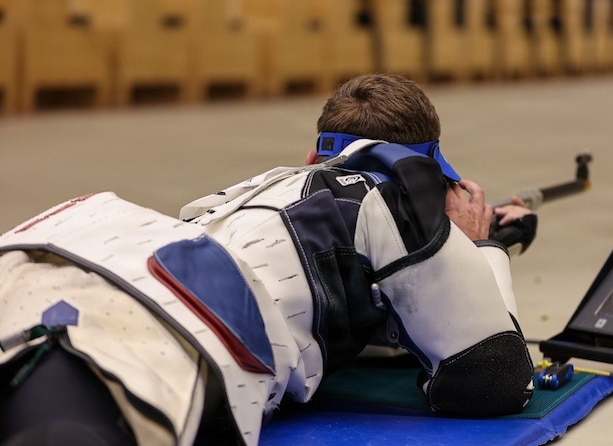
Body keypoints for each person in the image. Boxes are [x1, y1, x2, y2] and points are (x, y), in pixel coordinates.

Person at [0, 73, 539, 445]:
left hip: (56, 259)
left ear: (312, 158)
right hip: (160, 328)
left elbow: (334, 304)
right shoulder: (390, 192)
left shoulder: (255, 194)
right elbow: (492, 378)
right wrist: (478, 248)